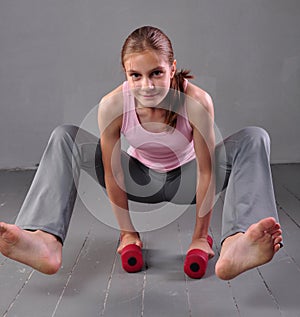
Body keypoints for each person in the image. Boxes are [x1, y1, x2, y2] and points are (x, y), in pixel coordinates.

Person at [0, 26, 282, 280]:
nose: (147, 85)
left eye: (156, 73)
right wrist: (127, 234)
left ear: (171, 68)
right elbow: (113, 171)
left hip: (189, 181)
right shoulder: (113, 104)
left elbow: (207, 171)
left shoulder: (196, 101)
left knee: (254, 137)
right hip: (138, 180)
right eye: (136, 75)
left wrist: (199, 238)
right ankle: (44, 239)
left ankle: (237, 242)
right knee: (65, 136)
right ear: (126, 74)